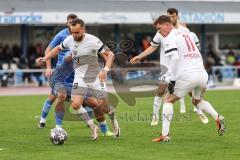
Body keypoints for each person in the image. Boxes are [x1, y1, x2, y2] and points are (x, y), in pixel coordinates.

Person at [36, 18, 117, 140]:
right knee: (75, 104)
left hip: (95, 78)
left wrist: (105, 70)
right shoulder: (69, 40)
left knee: (103, 108)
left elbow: (110, 54)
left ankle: (114, 121)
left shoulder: (93, 40)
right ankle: (92, 126)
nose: (74, 35)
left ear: (83, 30)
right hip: (80, 79)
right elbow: (57, 48)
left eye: (77, 32)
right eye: (72, 32)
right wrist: (45, 57)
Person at [149, 15, 225, 142]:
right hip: (202, 74)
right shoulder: (186, 32)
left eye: (159, 28)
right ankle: (217, 117)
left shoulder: (170, 38)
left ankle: (165, 135)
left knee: (168, 100)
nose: (159, 32)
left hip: (188, 75)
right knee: (197, 101)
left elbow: (173, 59)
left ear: (167, 25)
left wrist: (170, 78)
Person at [38, 13, 77, 128]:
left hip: (76, 72)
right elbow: (48, 50)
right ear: (67, 23)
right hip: (62, 72)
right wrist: (48, 67)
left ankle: (92, 123)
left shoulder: (81, 35)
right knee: (55, 95)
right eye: (70, 22)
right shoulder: (61, 35)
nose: (72, 24)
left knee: (84, 98)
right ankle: (44, 121)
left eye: (74, 22)